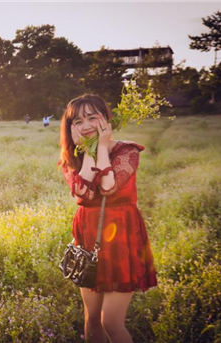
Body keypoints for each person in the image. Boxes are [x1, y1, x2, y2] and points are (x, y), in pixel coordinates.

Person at [58, 94, 157, 343]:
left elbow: (108, 186)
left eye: (92, 117)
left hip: (121, 235)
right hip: (89, 236)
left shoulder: (128, 151)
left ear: (106, 119)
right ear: (71, 128)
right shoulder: (70, 159)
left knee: (110, 322)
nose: (86, 125)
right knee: (92, 319)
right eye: (78, 121)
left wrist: (101, 147)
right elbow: (85, 191)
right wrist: (88, 150)